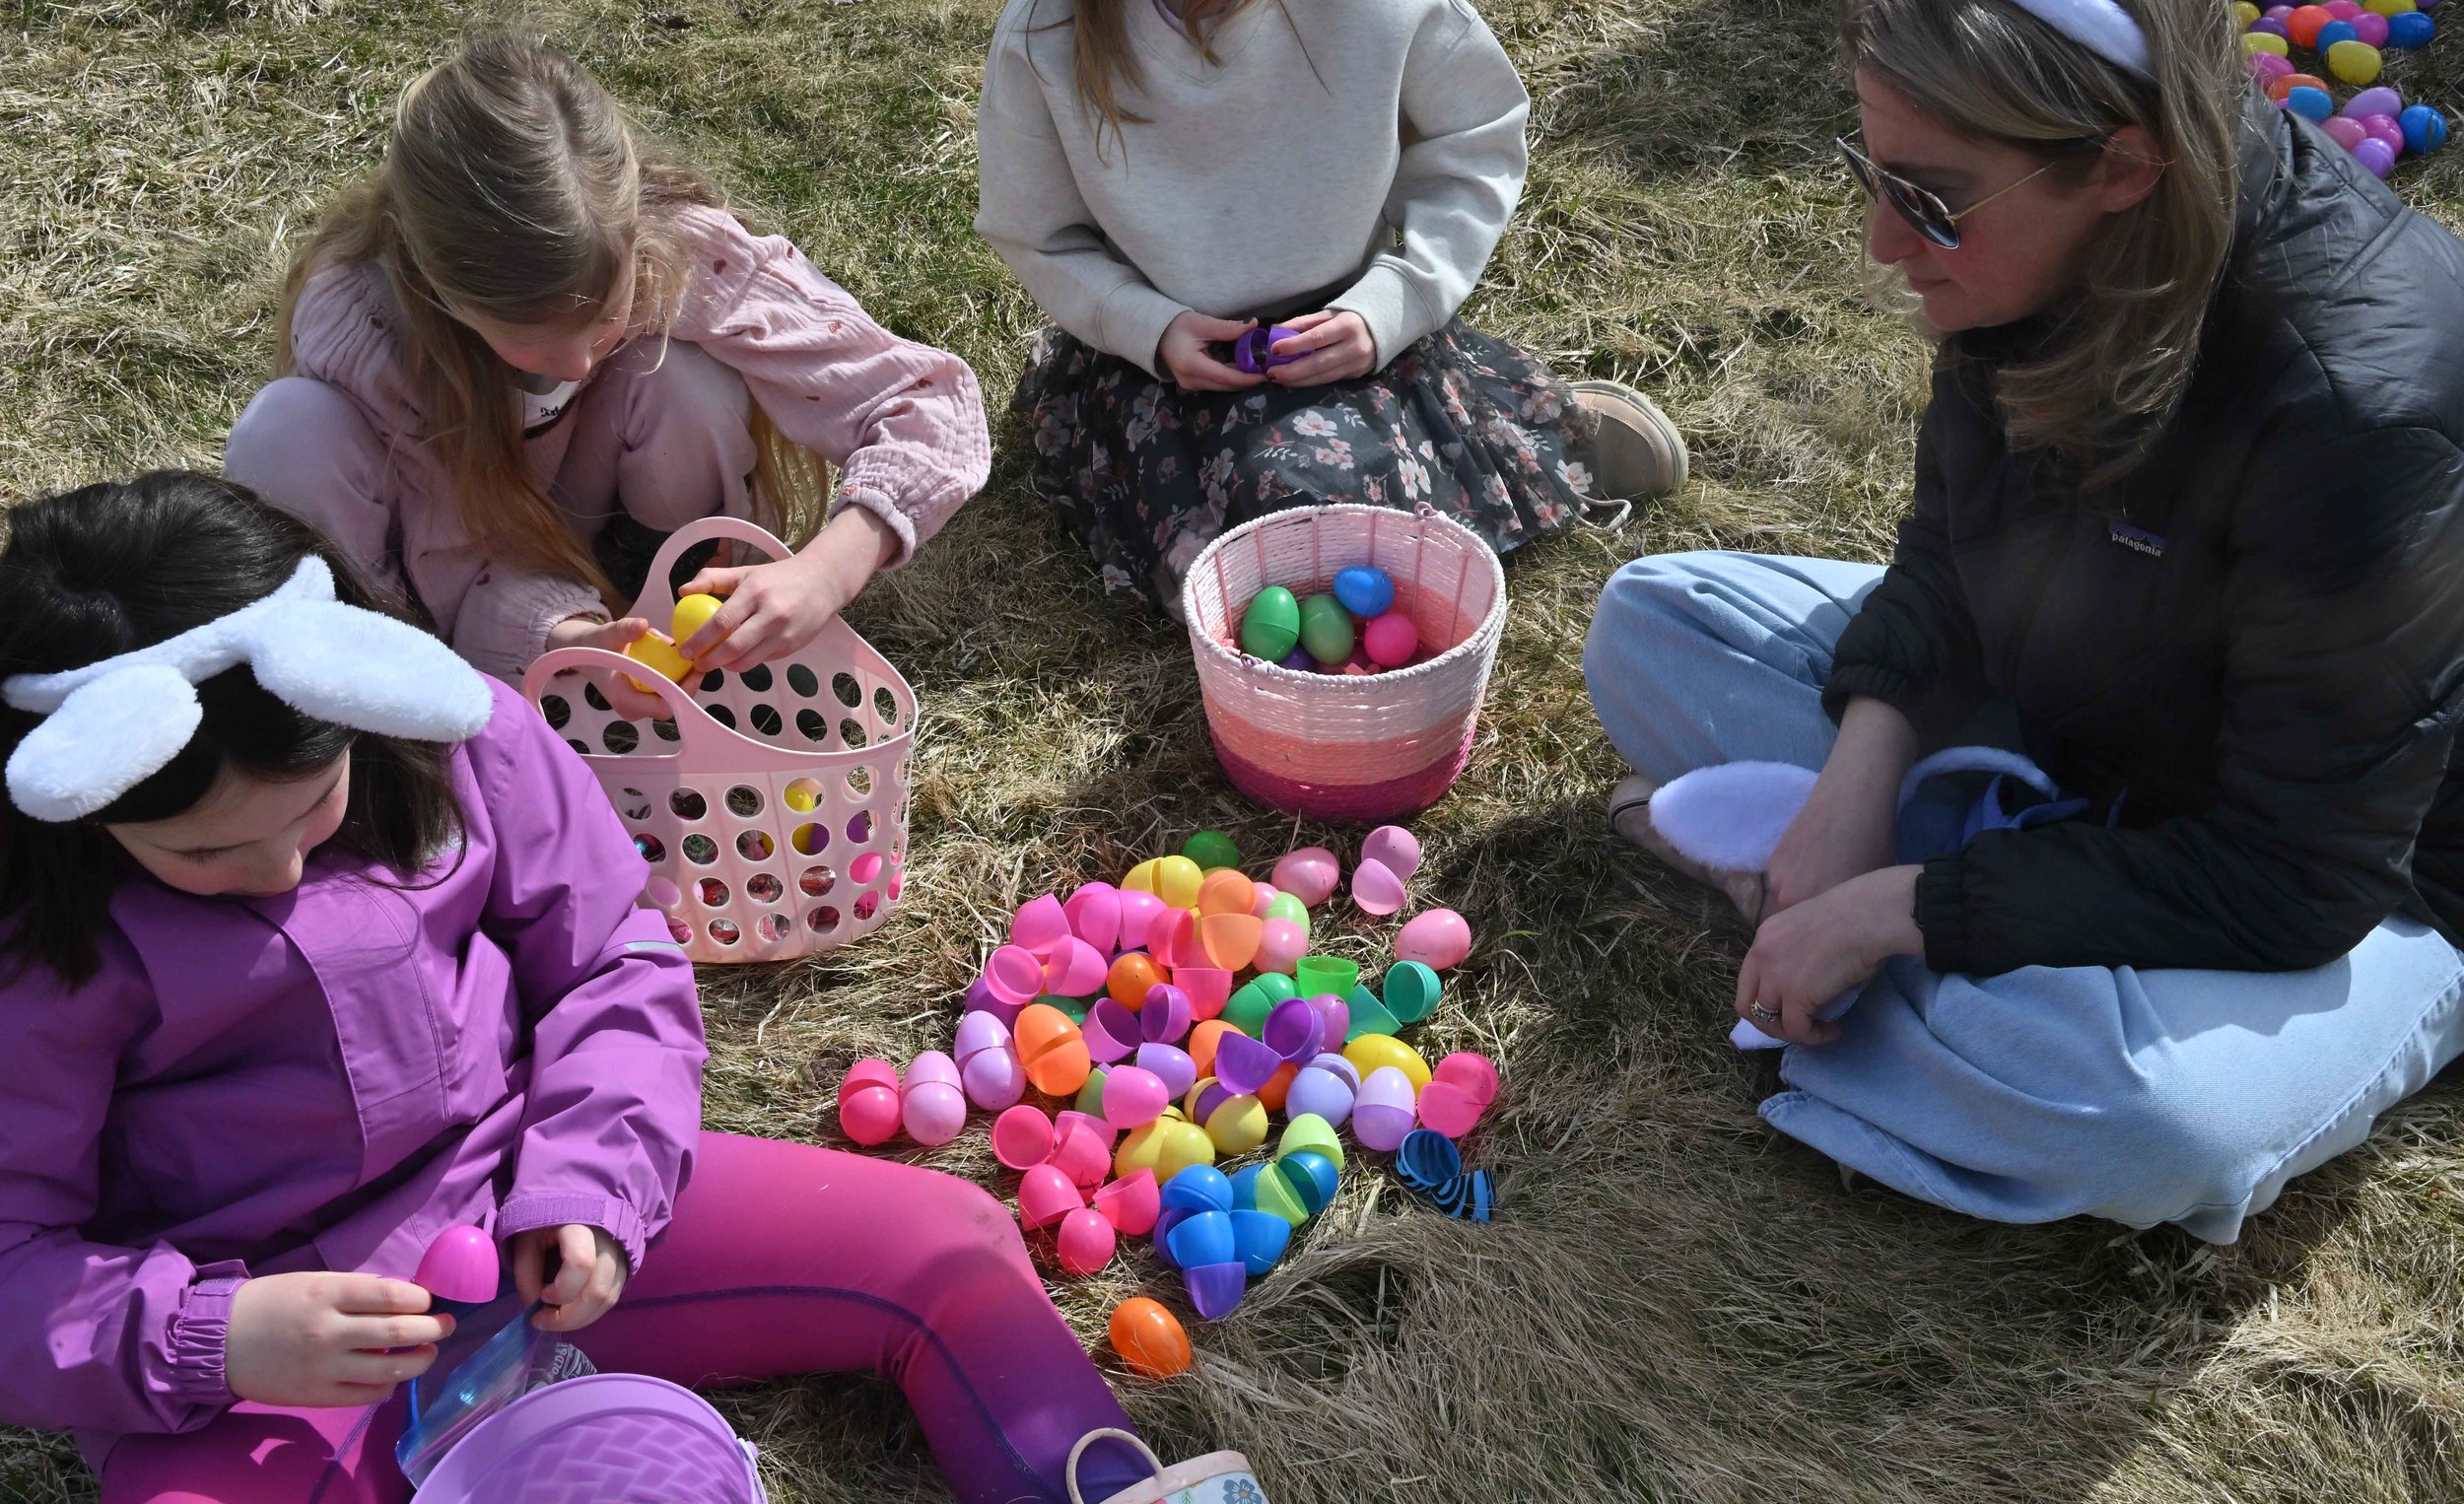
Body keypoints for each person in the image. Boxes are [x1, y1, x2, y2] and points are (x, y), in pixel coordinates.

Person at [0, 472, 1618, 1504]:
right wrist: (217, 1337)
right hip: (263, 1347)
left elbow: (611, 958)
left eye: (315, 815)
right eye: (210, 863)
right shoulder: (36, 935)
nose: (282, 869)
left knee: (945, 1244)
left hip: (528, 1207)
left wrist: (589, 1183)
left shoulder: (452, 735)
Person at [1584, 0, 2464, 1241]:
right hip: (2092, 706)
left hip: (2373, 868)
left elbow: (2294, 874)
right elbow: (1952, 542)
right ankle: (1912, 940)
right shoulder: (2055, 239)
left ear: (2119, 166)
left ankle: (1892, 946)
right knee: (1649, 619)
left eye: (1931, 201)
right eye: (1871, 176)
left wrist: (1903, 908)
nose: (1885, 244)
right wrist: (1851, 785)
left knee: (2147, 1119)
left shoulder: (2358, 411)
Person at [226, 34, 990, 686]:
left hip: (592, 542)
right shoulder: (376, 338)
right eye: (530, 338)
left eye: (604, 321)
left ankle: (664, 598)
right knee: (288, 434)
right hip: (450, 611)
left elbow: (931, 401)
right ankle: (385, 710)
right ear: (440, 292)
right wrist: (560, 641)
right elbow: (463, 569)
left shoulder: (674, 253)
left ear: (634, 239)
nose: (573, 362)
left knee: (683, 378)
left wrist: (831, 565)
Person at [975, 0, 1687, 612]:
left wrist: (1394, 301)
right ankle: (1506, 450)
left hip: (1354, 335)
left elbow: (1477, 135)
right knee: (1288, 536)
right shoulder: (1049, 31)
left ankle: (1541, 435)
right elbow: (1039, 234)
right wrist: (1147, 326)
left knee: (1348, 526)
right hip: (1161, 368)